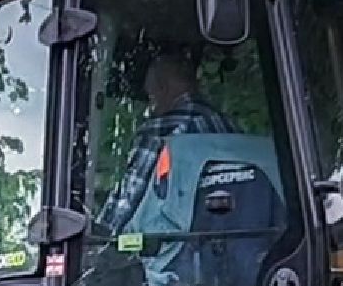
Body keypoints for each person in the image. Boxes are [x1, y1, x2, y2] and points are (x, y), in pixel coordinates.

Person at [95, 54, 237, 234]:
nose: (149, 110)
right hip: (228, 237)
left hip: (175, 246)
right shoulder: (227, 125)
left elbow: (131, 193)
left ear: (163, 88)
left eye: (151, 98)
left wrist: (102, 236)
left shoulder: (160, 129)